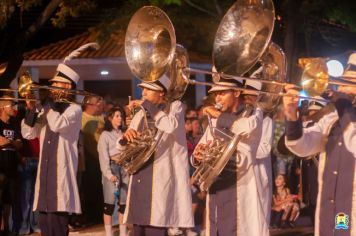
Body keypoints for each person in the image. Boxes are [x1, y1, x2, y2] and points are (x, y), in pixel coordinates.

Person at [283, 53, 356, 235]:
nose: (340, 87)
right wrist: (292, 115)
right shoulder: (331, 117)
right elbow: (303, 145)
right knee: (338, 229)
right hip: (333, 208)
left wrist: (343, 105)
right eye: (341, 82)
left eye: (348, 83)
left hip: (351, 209)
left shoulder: (344, 112)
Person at [117, 75, 194, 236]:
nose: (143, 92)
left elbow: (170, 125)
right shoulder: (141, 113)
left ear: (160, 92)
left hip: (160, 178)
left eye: (147, 89)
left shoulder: (175, 106)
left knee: (156, 227)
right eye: (142, 89)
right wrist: (126, 137)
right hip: (140, 175)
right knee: (139, 229)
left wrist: (147, 106)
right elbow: (123, 146)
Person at [192, 77, 268, 236]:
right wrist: (198, 156)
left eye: (222, 93)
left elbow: (245, 128)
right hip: (216, 186)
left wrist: (218, 116)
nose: (217, 98)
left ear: (237, 92)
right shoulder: (215, 119)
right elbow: (202, 146)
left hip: (239, 185)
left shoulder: (253, 113)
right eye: (216, 94)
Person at [21, 63, 82, 236]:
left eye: (57, 83)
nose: (52, 87)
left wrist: (47, 106)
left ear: (68, 86)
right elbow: (28, 133)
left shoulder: (74, 110)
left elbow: (57, 125)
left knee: (58, 226)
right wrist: (31, 111)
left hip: (61, 176)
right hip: (45, 177)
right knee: (45, 226)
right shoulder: (48, 110)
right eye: (53, 83)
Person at [243, 79, 274, 226]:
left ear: (258, 97)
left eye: (250, 95)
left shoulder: (266, 120)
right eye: (244, 95)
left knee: (260, 215)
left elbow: (265, 149)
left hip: (259, 173)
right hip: (243, 172)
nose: (246, 98)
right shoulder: (242, 117)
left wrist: (243, 148)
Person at [98, 106, 129, 236]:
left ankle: (122, 233)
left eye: (121, 116)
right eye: (117, 116)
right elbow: (103, 157)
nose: (120, 118)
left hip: (124, 168)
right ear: (110, 118)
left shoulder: (124, 134)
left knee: (123, 204)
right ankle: (109, 233)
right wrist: (109, 174)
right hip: (112, 167)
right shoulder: (105, 135)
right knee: (109, 204)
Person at [0, 96, 22, 235]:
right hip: (0, 168)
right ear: (2, 108)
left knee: (9, 200)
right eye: (11, 106)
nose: (14, 109)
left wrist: (9, 142)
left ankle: (7, 228)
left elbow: (20, 144)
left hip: (13, 169)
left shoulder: (14, 123)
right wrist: (12, 142)